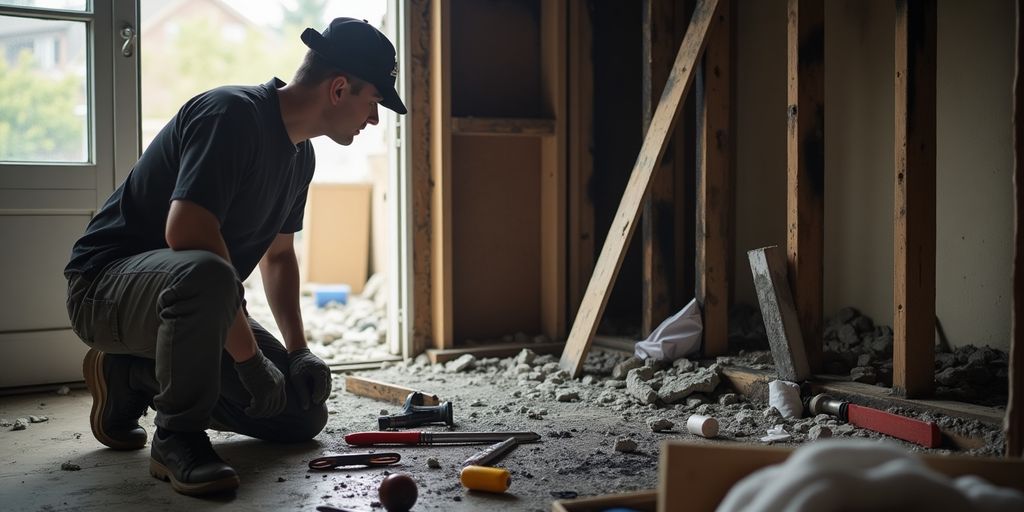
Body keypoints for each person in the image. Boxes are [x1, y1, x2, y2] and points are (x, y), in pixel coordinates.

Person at [63, 18, 407, 497]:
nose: (373, 119)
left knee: (300, 414)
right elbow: (187, 233)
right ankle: (177, 436)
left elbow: (280, 257)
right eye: (374, 102)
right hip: (104, 291)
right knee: (208, 273)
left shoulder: (300, 156)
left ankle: (131, 375)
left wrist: (297, 350)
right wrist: (247, 361)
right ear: (340, 88)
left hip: (195, 298)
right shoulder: (230, 115)